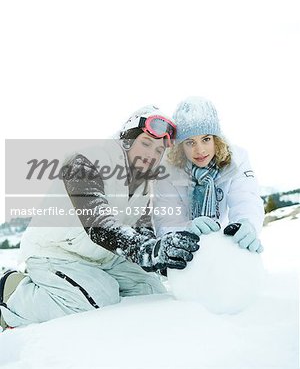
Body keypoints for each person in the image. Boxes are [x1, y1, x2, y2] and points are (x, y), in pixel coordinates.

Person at [0, 106, 199, 330]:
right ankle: (14, 295)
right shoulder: (85, 161)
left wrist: (162, 257)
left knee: (151, 292)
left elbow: (142, 230)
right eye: (145, 143)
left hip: (105, 256)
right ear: (127, 140)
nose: (151, 155)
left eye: (158, 150)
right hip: (57, 252)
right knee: (98, 300)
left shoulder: (145, 183)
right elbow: (98, 224)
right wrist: (147, 252)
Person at [154, 97, 264, 254]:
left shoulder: (236, 161)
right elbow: (165, 218)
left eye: (206, 139)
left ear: (216, 139)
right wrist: (185, 229)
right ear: (180, 146)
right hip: (185, 251)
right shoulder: (167, 170)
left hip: (225, 243)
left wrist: (247, 222)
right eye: (190, 142)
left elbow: (246, 198)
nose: (200, 150)